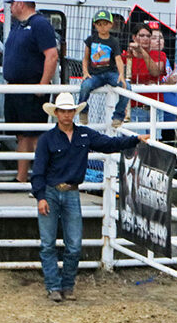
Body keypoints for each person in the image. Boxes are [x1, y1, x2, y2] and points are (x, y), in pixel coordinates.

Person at [31, 92, 146, 302]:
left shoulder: (81, 135)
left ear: (73, 113)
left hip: (69, 191)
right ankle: (56, 286)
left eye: (69, 111)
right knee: (51, 243)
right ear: (57, 113)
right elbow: (38, 171)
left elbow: (109, 144)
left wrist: (133, 140)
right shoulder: (50, 139)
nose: (67, 115)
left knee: (72, 244)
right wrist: (40, 196)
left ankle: (63, 286)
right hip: (53, 191)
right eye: (63, 111)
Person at [2, 0, 58, 184]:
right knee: (22, 135)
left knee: (35, 136)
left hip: (31, 88)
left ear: (20, 4)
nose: (10, 8)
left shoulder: (40, 24)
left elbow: (51, 55)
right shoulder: (18, 26)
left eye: (12, 4)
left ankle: (45, 178)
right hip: (15, 87)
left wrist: (42, 85)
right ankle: (21, 178)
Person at [76, 10, 127, 129]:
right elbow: (86, 58)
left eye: (105, 23)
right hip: (95, 75)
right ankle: (83, 109)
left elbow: (118, 59)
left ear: (110, 24)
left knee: (127, 87)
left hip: (111, 73)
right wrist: (85, 72)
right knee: (85, 86)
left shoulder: (114, 41)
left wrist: (121, 74)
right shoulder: (90, 40)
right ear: (95, 25)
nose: (102, 27)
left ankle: (118, 116)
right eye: (99, 24)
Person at [123, 22, 163, 125]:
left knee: (155, 140)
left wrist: (141, 51)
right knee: (137, 139)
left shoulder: (159, 54)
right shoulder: (126, 56)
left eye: (148, 36)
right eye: (141, 35)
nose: (145, 38)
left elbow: (155, 72)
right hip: (134, 107)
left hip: (155, 106)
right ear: (134, 37)